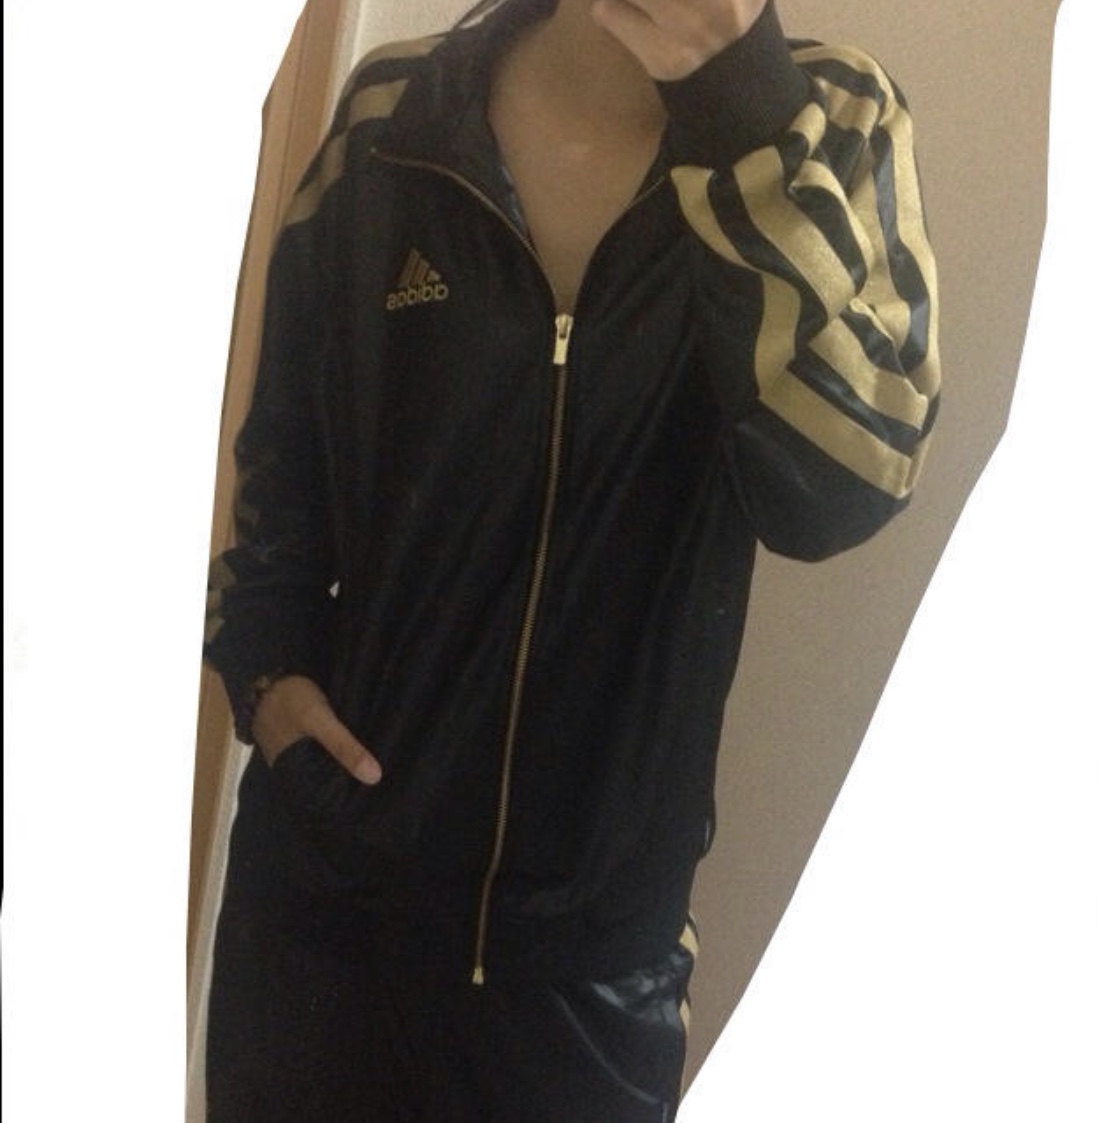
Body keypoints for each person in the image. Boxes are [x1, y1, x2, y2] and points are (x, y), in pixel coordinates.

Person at [202, 0, 940, 1118]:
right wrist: (264, 672)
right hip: (327, 917)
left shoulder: (827, 124)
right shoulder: (395, 112)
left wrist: (736, 105)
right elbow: (284, 456)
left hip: (589, 973)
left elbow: (839, 488)